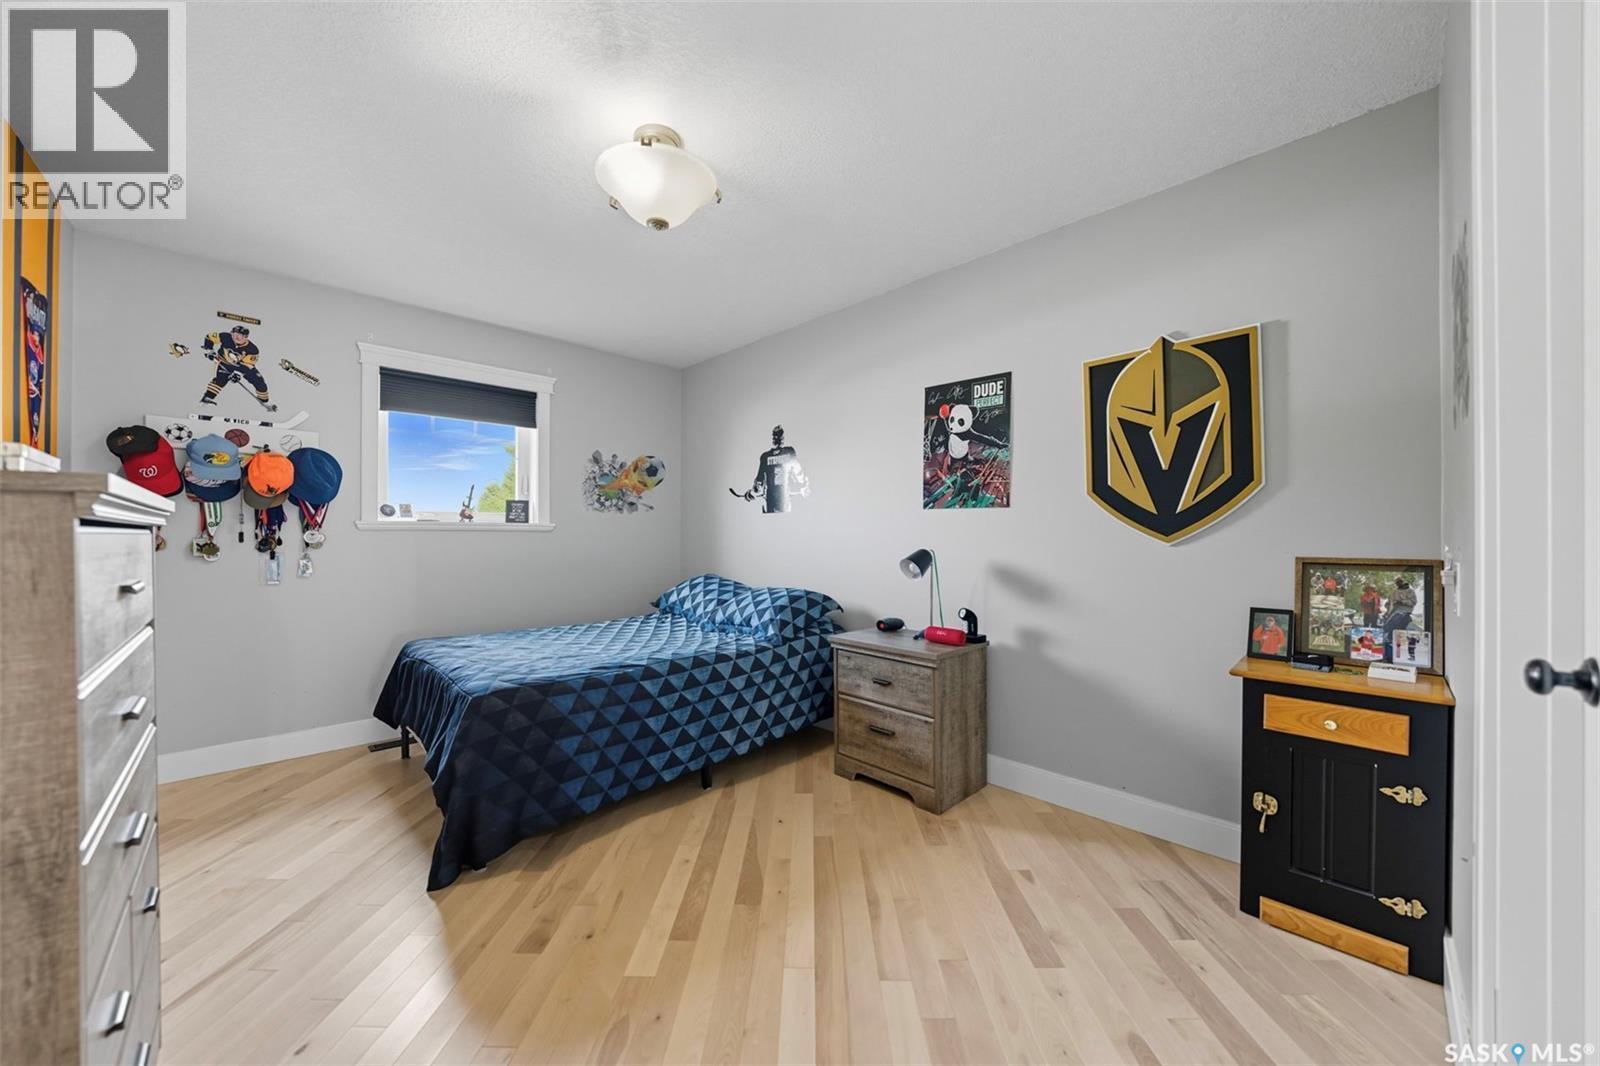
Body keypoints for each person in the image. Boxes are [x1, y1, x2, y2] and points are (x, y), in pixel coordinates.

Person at [198, 326, 276, 411]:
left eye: (241, 335)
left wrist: (237, 374)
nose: (236, 337)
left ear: (246, 337)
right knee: (220, 381)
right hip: (224, 362)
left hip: (242, 367)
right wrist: (210, 350)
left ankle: (265, 401)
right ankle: (207, 399)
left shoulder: (252, 349)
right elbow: (209, 337)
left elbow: (248, 366)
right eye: (234, 334)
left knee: (259, 382)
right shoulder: (225, 337)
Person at [1381, 577, 1418, 642]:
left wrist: (1402, 602)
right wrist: (1387, 610)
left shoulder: (1410, 591)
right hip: (1393, 613)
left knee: (1400, 632)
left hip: (1404, 613)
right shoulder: (1394, 592)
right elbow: (1388, 603)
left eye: (1399, 582)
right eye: (1397, 582)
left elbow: (1413, 602)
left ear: (1402, 582)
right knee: (1388, 630)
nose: (1398, 583)